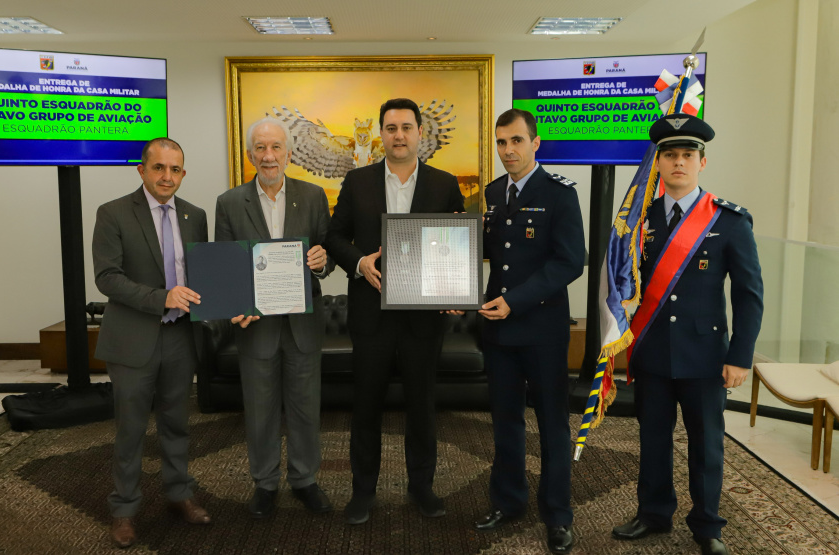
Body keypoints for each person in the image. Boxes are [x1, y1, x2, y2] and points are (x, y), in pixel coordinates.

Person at [610, 113, 763, 555]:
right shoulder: (637, 220)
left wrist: (740, 355)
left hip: (705, 356)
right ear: (658, 162)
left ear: (703, 162)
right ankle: (654, 513)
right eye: (670, 154)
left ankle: (707, 525)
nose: (679, 161)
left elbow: (750, 295)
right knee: (653, 440)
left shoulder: (730, 220)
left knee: (706, 445)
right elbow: (622, 284)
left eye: (688, 154)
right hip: (652, 352)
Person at [325, 98, 465, 525]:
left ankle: (421, 486)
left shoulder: (444, 184)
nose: (398, 135)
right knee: (365, 405)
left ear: (420, 132)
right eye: (390, 128)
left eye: (406, 127)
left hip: (423, 318)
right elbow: (334, 236)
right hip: (372, 314)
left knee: (422, 406)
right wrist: (359, 261)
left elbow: (458, 242)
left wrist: (454, 285)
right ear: (380, 134)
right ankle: (362, 491)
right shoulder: (358, 181)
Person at [473, 109, 584, 554]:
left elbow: (569, 261)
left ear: (536, 143)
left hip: (541, 329)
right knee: (505, 422)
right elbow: (491, 252)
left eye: (517, 141)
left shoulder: (559, 194)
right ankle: (509, 501)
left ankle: (557, 515)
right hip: (498, 332)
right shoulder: (494, 191)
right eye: (501, 143)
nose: (508, 151)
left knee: (552, 425)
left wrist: (516, 301)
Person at [92, 137, 211, 548]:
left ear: (183, 173)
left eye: (175, 169)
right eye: (159, 168)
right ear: (142, 170)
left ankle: (179, 494)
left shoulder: (195, 216)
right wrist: (160, 297)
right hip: (132, 340)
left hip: (181, 337)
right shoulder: (112, 213)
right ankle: (124, 509)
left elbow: (201, 276)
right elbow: (107, 277)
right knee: (130, 429)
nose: (167, 176)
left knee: (177, 423)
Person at [215, 117, 334, 518]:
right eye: (261, 149)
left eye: (276, 148)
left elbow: (327, 257)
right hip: (256, 326)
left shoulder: (314, 196)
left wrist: (320, 262)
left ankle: (305, 480)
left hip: (303, 326)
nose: (269, 156)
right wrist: (235, 304)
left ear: (288, 153)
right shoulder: (230, 202)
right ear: (251, 155)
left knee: (305, 407)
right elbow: (227, 267)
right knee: (260, 409)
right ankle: (264, 483)